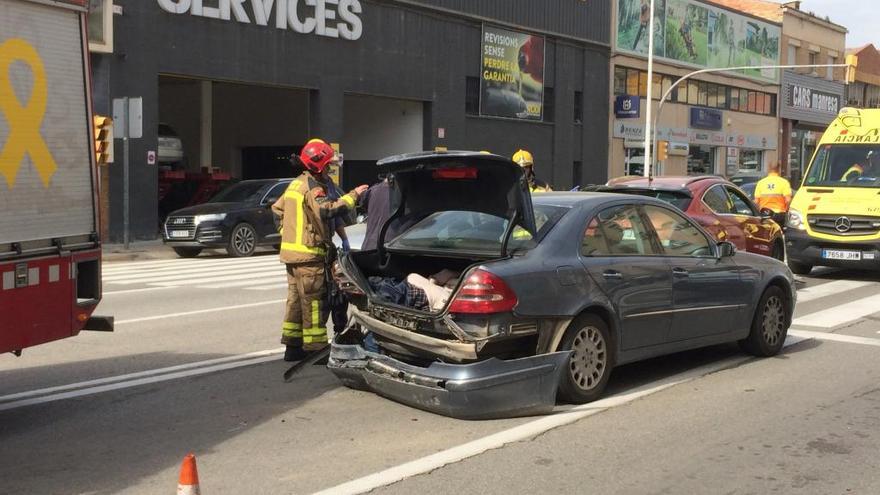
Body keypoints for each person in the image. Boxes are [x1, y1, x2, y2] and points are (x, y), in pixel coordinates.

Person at [273, 140, 368, 362]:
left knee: (296, 302)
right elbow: (327, 211)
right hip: (309, 256)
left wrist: (288, 233)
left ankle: (292, 347)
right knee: (315, 303)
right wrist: (353, 196)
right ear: (319, 166)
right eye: (328, 165)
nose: (329, 169)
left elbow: (276, 210)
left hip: (292, 256)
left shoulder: (296, 184)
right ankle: (315, 349)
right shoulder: (314, 188)